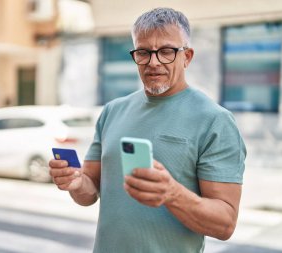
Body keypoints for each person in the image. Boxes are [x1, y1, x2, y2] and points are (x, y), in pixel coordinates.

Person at [49, 7, 246, 253]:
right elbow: (89, 193)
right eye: (143, 52)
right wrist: (77, 183)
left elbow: (225, 224)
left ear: (187, 56)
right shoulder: (112, 111)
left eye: (166, 51)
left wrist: (173, 194)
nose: (153, 63)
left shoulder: (215, 121)